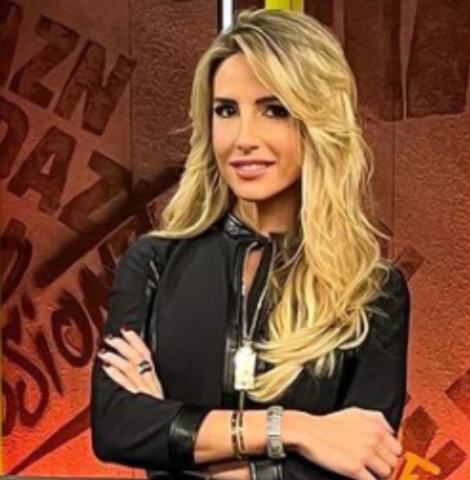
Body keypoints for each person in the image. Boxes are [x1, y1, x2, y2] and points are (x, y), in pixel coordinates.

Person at [90, 8, 411, 480]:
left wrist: (179, 444)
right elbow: (117, 427)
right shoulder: (153, 261)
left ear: (317, 121)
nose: (243, 139)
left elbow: (366, 461)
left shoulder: (373, 291)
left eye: (274, 110)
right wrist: (296, 430)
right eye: (226, 110)